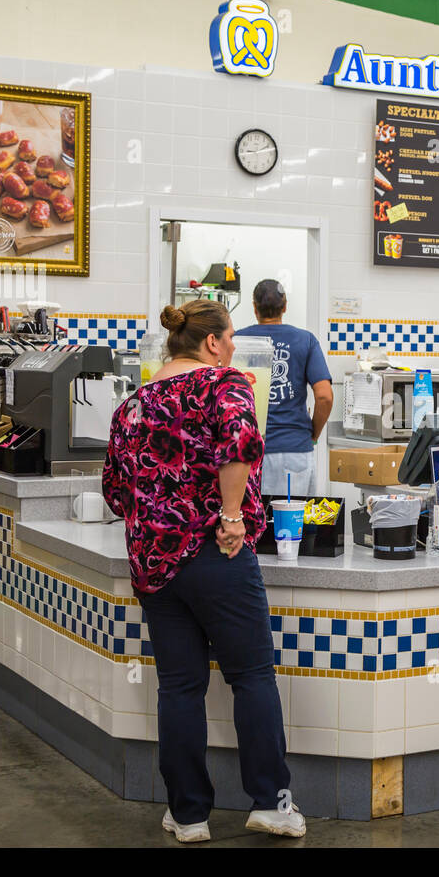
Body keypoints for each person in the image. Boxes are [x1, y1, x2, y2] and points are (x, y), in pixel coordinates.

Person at [102, 299, 305, 841]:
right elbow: (240, 445)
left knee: (180, 687)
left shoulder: (134, 404)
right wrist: (233, 515)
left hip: (154, 563)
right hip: (218, 552)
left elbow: (116, 493)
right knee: (252, 676)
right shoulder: (225, 383)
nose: (235, 345)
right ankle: (272, 803)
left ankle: (188, 815)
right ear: (212, 342)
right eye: (232, 336)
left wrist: (156, 517)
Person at [235, 279, 333, 495]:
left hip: (245, 451)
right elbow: (325, 397)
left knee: (250, 525)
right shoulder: (305, 340)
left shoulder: (237, 340)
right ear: (285, 306)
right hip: (294, 449)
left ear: (254, 307)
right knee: (293, 524)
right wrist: (313, 434)